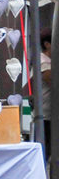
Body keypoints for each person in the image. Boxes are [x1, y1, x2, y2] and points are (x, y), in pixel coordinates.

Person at [40, 28, 52, 161]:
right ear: (47, 44)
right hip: (44, 114)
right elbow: (52, 80)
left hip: (51, 114)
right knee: (46, 151)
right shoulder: (42, 61)